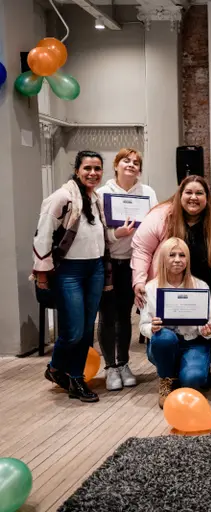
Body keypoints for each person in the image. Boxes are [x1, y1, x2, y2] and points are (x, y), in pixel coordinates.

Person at [34, 150, 112, 403]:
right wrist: (42, 273)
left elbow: (98, 236)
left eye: (98, 168)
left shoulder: (97, 199)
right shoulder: (62, 197)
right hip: (69, 272)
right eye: (88, 168)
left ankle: (77, 377)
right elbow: (43, 235)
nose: (93, 173)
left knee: (88, 328)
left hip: (95, 269)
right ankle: (56, 367)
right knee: (74, 330)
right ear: (77, 170)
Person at [96, 148, 159, 391]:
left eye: (136, 162)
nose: (131, 165)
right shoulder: (102, 194)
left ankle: (123, 363)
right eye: (126, 161)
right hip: (108, 262)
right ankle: (110, 367)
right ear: (116, 165)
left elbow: (154, 224)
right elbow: (94, 231)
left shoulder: (147, 193)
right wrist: (116, 234)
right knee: (107, 315)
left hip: (134, 264)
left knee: (124, 315)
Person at [131, 175, 211, 304]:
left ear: (207, 198)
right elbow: (142, 250)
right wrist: (139, 281)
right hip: (165, 294)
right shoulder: (160, 217)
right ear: (180, 195)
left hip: (204, 297)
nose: (193, 197)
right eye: (188, 192)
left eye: (199, 193)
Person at [139, 238, 211, 408]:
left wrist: (207, 329)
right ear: (163, 259)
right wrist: (152, 327)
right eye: (171, 255)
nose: (177, 259)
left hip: (193, 343)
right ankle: (166, 379)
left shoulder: (200, 286)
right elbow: (143, 326)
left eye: (182, 255)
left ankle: (187, 372)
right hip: (164, 345)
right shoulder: (150, 288)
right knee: (164, 337)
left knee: (192, 379)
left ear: (187, 260)